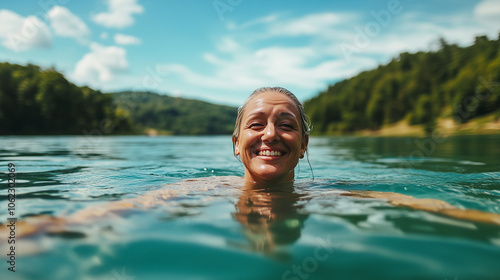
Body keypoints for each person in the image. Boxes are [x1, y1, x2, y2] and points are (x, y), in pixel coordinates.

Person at [2, 87, 500, 243]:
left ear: (304, 144)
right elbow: (105, 216)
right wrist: (22, 235)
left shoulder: (330, 195)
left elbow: (425, 205)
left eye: (286, 125)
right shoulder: (197, 193)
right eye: (257, 124)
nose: (270, 135)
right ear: (235, 140)